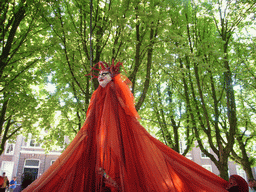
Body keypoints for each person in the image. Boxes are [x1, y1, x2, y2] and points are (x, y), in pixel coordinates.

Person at [23, 60, 229, 191]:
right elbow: (93, 114)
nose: (100, 78)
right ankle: (107, 179)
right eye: (99, 76)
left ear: (112, 77)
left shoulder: (113, 91)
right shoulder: (97, 95)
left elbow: (123, 108)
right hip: (98, 137)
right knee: (99, 166)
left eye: (105, 75)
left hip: (116, 136)